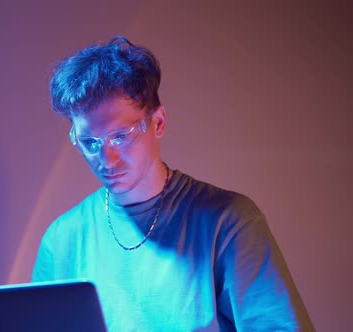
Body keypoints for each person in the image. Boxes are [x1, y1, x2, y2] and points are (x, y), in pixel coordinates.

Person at [32, 36, 314, 331]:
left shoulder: (229, 222)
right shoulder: (61, 239)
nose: (106, 158)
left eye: (120, 136)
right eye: (90, 142)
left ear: (159, 122)